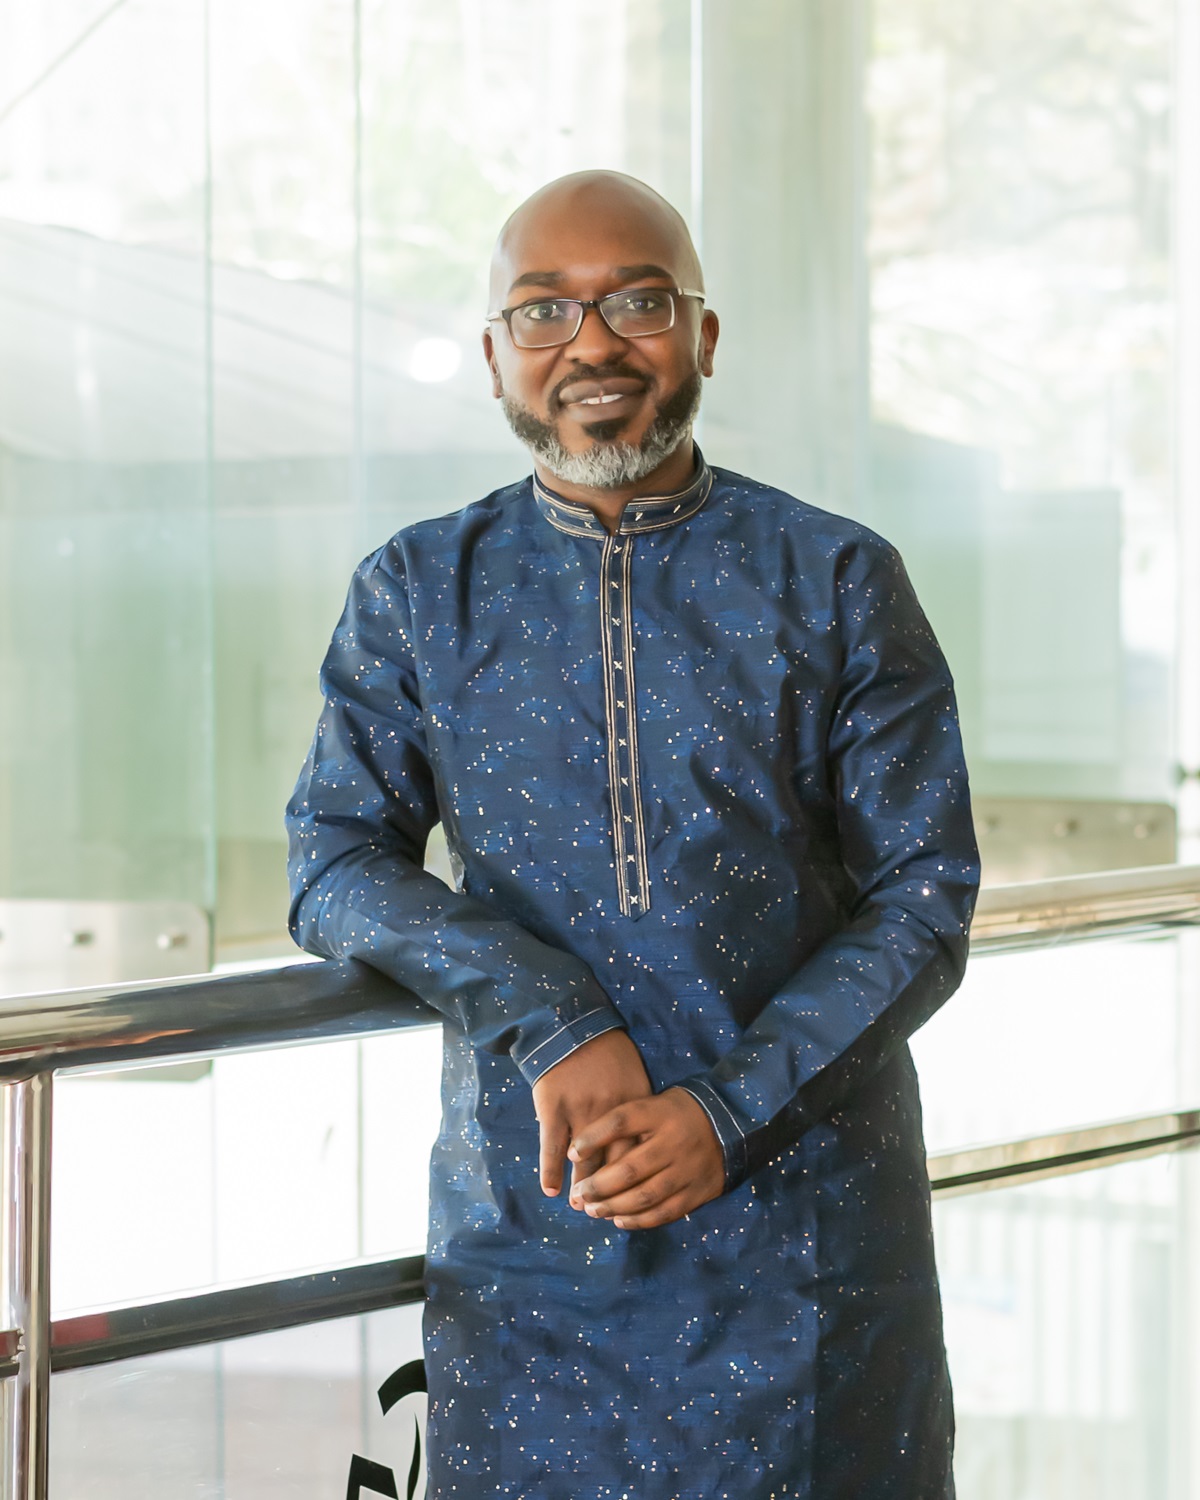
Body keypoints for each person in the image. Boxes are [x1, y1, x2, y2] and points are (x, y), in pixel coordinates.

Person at [287, 170, 979, 1499]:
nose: (592, 344)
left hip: (810, 1250)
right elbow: (332, 858)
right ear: (496, 355)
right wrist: (549, 1013)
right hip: (538, 1253)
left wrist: (729, 1110)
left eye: (637, 302)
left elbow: (925, 897)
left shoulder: (837, 578)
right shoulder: (420, 591)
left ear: (704, 336)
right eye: (543, 311)